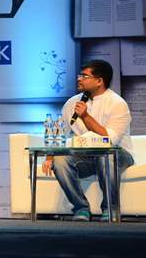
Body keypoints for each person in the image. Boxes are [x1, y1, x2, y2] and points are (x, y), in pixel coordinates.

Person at [42, 60, 134, 222]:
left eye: (85, 76)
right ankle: (81, 208)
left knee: (106, 157)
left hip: (118, 154)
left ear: (99, 81)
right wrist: (50, 156)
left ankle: (110, 209)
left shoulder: (117, 103)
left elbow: (109, 140)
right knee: (60, 160)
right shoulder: (72, 103)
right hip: (86, 156)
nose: (79, 79)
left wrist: (85, 116)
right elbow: (60, 132)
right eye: (80, 75)